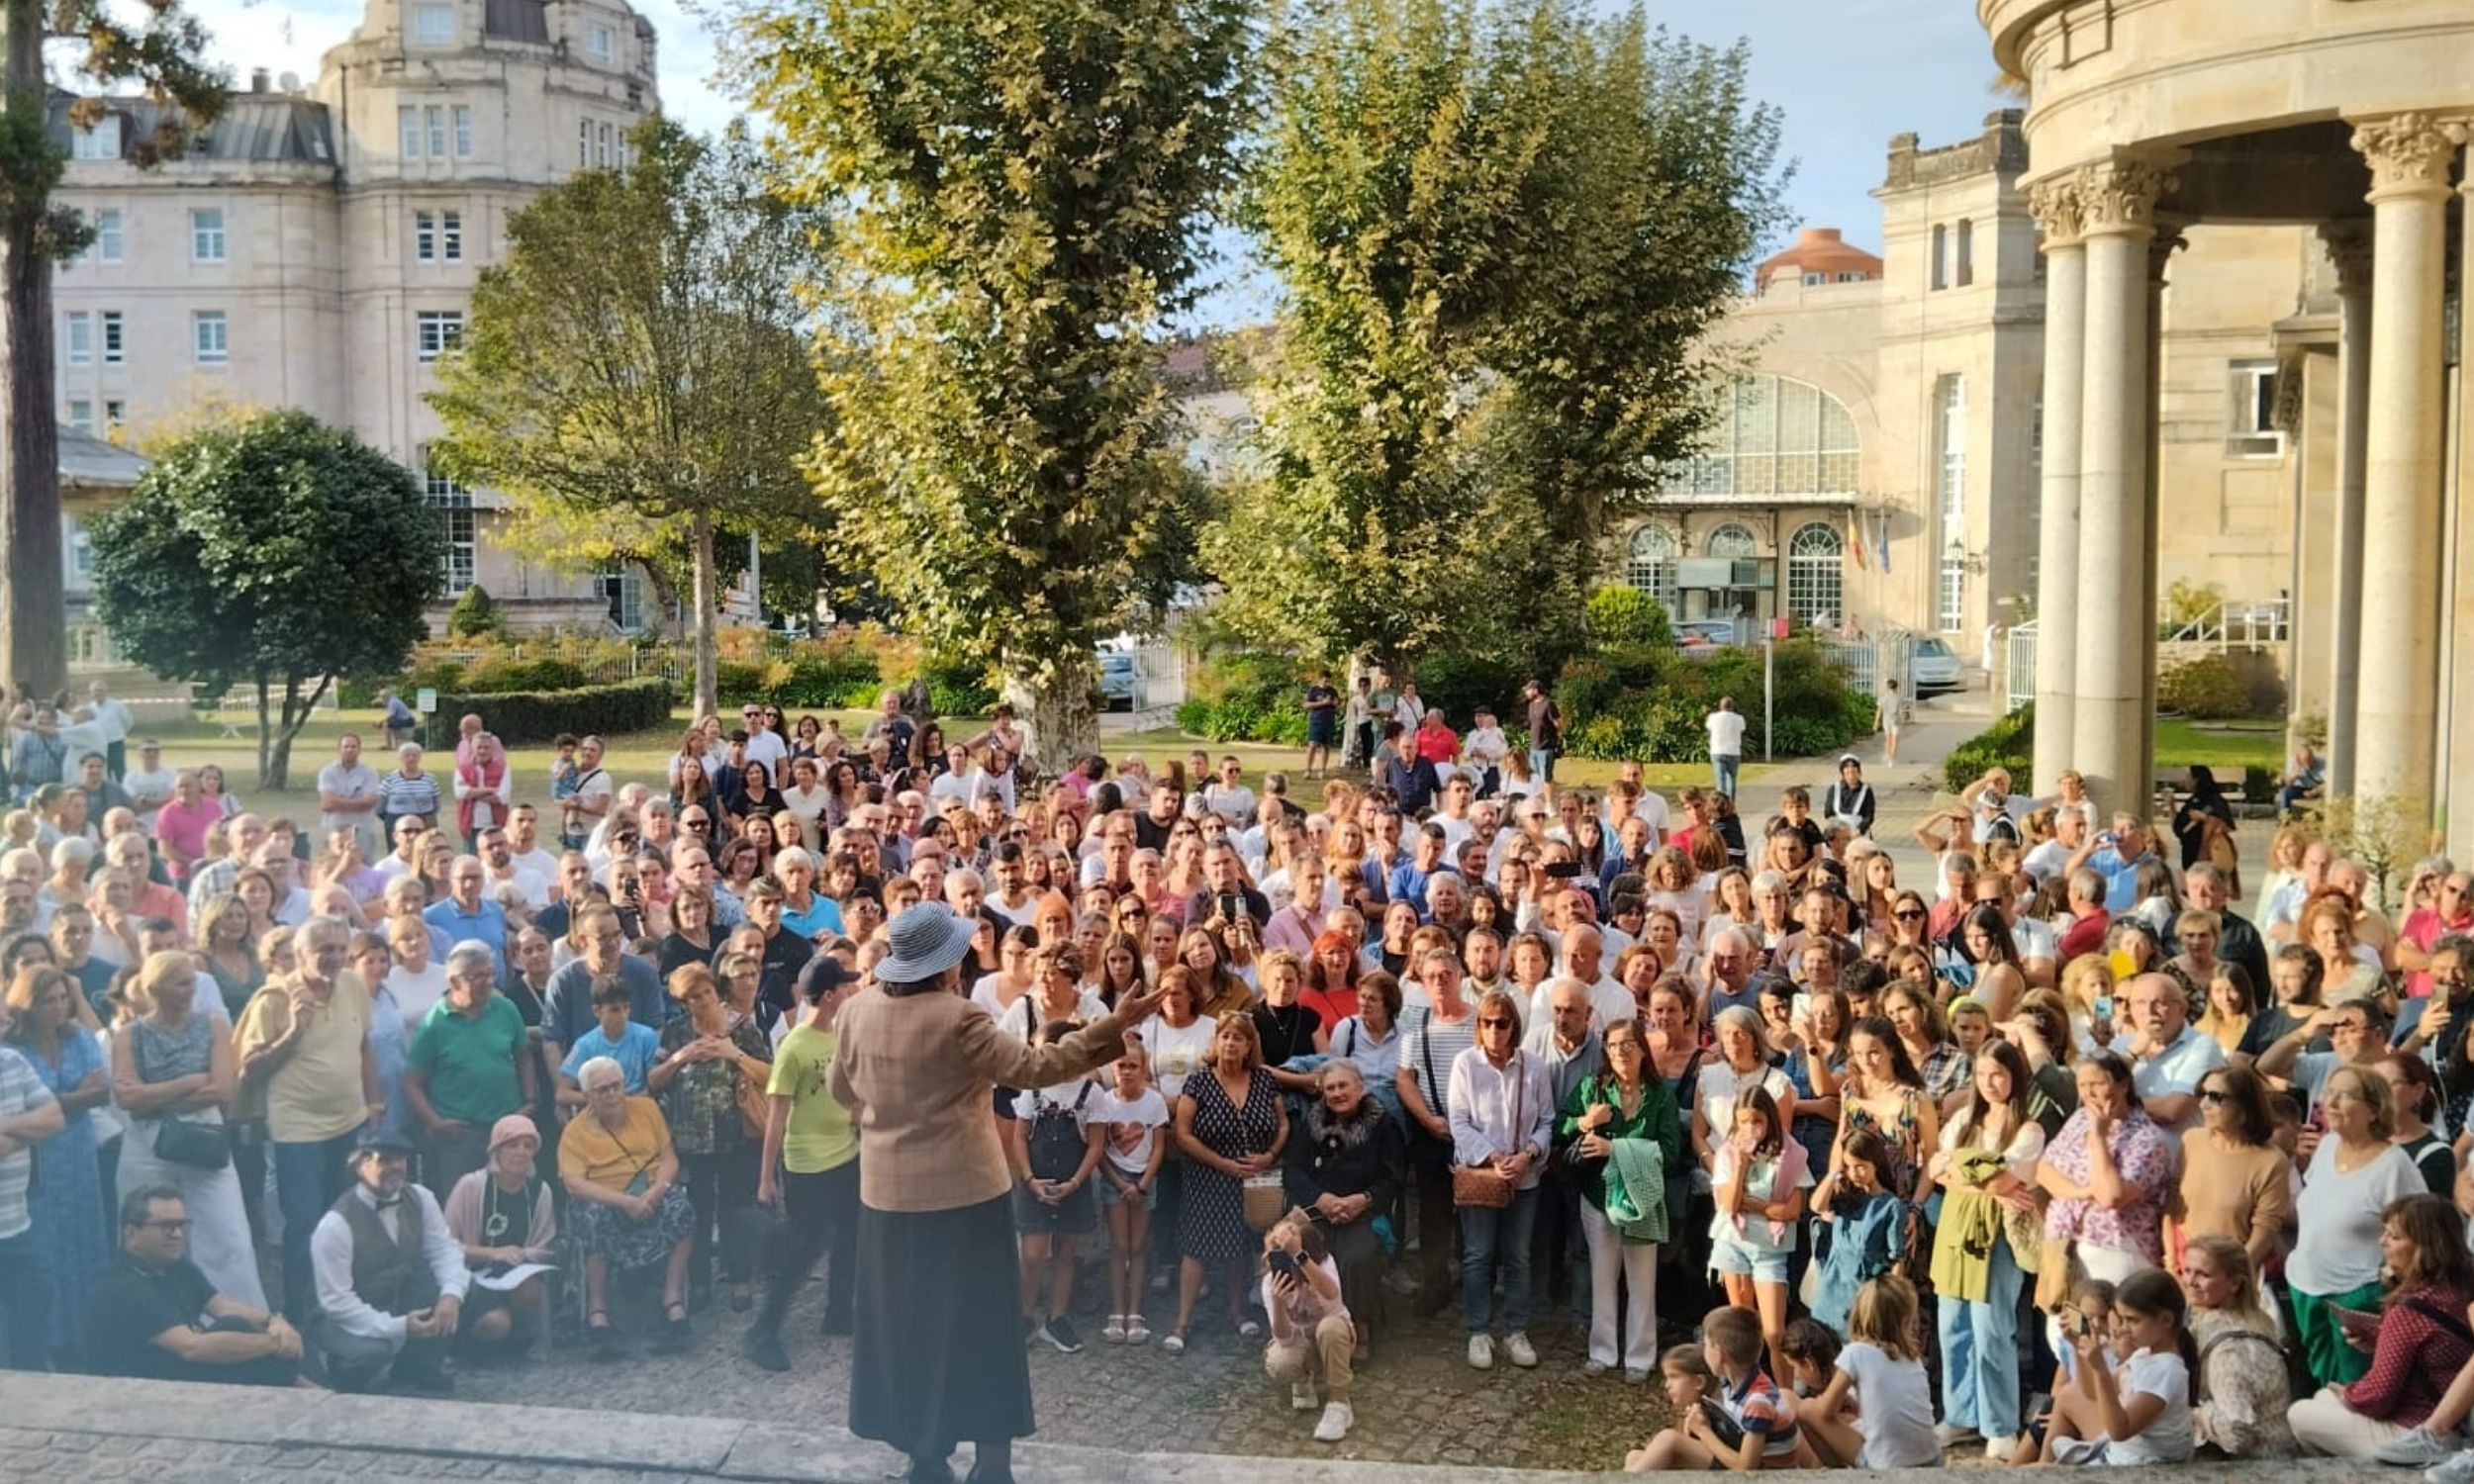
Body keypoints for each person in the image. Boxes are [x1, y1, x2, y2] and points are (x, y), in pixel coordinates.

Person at [831, 903, 1163, 1484]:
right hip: (964, 1199)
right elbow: (1037, 1067)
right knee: (982, 1328)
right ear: (949, 963)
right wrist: (1111, 1027)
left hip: (886, 1198)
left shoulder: (856, 1011)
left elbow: (841, 1091)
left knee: (909, 1328)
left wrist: (887, 1123)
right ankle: (991, 1466)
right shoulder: (960, 1019)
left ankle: (926, 1459)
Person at [230, 918, 380, 1322]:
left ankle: (341, 1307)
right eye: (323, 950)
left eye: (338, 949)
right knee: (305, 1224)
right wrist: (294, 1031)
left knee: (344, 1220)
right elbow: (247, 1069)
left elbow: (364, 1045)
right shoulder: (275, 999)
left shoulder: (352, 985)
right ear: (299, 957)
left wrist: (374, 1103)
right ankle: (299, 1313)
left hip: (349, 1123)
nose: (333, 957)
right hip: (298, 1131)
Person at [110, 951, 264, 1313]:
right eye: (180, 984)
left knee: (228, 1236)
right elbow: (127, 1098)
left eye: (191, 982)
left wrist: (155, 1096)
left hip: (203, 1141)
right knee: (143, 1231)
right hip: (146, 1147)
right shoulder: (129, 1035)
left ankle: (237, 1319)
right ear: (155, 989)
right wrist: (190, 1082)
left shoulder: (213, 1025)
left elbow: (223, 1089)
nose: (189, 991)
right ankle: (151, 1316)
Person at [2287, 1194, 2474, 1457]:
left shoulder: (2410, 1309)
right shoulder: (2460, 1288)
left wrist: (2348, 1394)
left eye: (2394, 1237)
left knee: (2300, 1413)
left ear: (2425, 1247)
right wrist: (2380, 1338)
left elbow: (2378, 1397)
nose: (2382, 1241)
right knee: (2322, 1400)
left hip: (2414, 1431)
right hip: (2459, 1424)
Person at [1927, 1040, 2044, 1460]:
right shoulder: (1964, 1117)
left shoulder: (2028, 1129)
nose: (1990, 1083)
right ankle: (1960, 1413)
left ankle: (1999, 1421)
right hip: (1957, 1224)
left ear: (2014, 1076)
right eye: (1982, 1075)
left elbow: (2003, 1180)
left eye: (1998, 1074)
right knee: (1952, 1324)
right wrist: (1972, 1172)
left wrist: (1961, 1168)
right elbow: (1935, 1167)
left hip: (1995, 1235)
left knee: (1991, 1329)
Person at [743, 957, 862, 1372]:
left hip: (846, 1151)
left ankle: (839, 1312)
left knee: (851, 1236)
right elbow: (777, 1115)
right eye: (844, 988)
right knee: (804, 1248)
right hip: (807, 1162)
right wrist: (766, 1178)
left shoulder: (841, 1036)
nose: (849, 993)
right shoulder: (794, 1045)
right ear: (829, 996)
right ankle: (763, 1329)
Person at [85, 1186, 305, 1386]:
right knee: (236, 1339)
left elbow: (222, 1305)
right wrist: (275, 1343)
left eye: (181, 1225)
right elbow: (192, 1348)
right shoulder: (123, 1287)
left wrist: (275, 1321)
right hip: (139, 1391)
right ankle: (312, 1392)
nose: (177, 1234)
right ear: (131, 1234)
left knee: (239, 1326)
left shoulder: (175, 1265)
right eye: (166, 1226)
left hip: (177, 1376)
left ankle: (311, 1391)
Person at [2287, 1065, 2423, 1387]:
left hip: (2356, 1296)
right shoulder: (2328, 1145)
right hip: (2305, 1286)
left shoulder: (2394, 1166)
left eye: (2345, 1095)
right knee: (2321, 1384)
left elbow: (2420, 1236)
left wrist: (2388, 1289)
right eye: (2329, 1092)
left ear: (2374, 1110)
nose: (2330, 1103)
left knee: (2356, 1388)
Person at [649, 962, 773, 1314]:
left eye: (706, 992)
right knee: (697, 1213)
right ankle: (700, 1280)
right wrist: (680, 1058)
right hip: (691, 1140)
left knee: (737, 1210)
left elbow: (771, 1074)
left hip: (737, 1136)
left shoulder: (741, 1027)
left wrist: (734, 1054)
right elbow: (653, 1081)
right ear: (682, 1002)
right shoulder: (675, 1032)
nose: (702, 1000)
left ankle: (739, 1278)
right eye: (692, 996)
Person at [559, 1053, 699, 1358]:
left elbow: (669, 1158)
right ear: (586, 1095)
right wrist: (625, 1202)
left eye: (616, 1085)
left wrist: (656, 1193)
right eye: (602, 1089)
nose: (611, 1094)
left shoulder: (647, 1109)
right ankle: (598, 1312)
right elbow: (575, 1184)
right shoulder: (575, 1132)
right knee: (593, 1218)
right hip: (606, 1200)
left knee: (682, 1208)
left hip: (651, 1194)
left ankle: (673, 1301)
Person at [308, 1128, 468, 1392]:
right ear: (360, 1166)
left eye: (400, 1159)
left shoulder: (421, 1197)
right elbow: (336, 1301)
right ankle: (347, 1377)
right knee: (372, 1351)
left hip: (398, 1293)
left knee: (453, 1287)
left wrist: (450, 1296)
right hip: (339, 1313)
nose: (395, 1167)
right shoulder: (335, 1226)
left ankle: (415, 1370)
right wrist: (399, 1327)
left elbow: (444, 1250)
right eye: (384, 1160)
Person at [1169, 1009, 1289, 1355]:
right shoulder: (1198, 1082)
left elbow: (1282, 1124)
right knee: (1197, 1248)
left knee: (1239, 1244)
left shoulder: (1264, 1081)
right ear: (1216, 1041)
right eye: (1226, 1036)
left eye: (1239, 1037)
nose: (1231, 1043)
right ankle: (1182, 1321)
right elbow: (1183, 1133)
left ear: (1250, 1045)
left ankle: (1238, 1312)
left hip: (1252, 1178)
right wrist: (1221, 1163)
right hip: (1208, 1175)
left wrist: (1269, 1155)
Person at [1449, 987, 1555, 1371]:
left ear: (1514, 1026)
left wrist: (1527, 1156)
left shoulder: (1534, 1067)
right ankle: (1479, 1329)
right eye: (1487, 1022)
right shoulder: (1466, 1064)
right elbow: (1458, 1120)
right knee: (1478, 1254)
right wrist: (1492, 1157)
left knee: (1518, 1255)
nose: (1494, 1030)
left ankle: (1515, 1328)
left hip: (1523, 1178)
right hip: (1481, 1175)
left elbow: (1547, 1120)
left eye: (1502, 1023)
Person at [7, 964, 107, 1364]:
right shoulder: (15, 1052)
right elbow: (46, 1108)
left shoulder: (78, 1036)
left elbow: (101, 1090)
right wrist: (69, 1099)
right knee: (43, 1248)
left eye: (64, 998)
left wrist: (55, 1102)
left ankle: (84, 1334)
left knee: (82, 1240)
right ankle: (43, 1339)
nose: (58, 1007)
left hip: (79, 1154)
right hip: (37, 1158)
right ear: (28, 1005)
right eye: (48, 1000)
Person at [1281, 1057, 1403, 1361]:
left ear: (1359, 1089)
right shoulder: (1312, 1122)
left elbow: (1395, 1177)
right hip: (1318, 1210)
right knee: (1298, 1250)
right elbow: (1292, 1171)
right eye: (1330, 1087)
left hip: (1363, 1211)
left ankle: (1360, 1327)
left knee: (1357, 1255)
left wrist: (1363, 1199)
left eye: (1343, 1086)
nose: (1337, 1093)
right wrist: (1319, 1197)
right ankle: (1306, 1328)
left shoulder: (1384, 1124)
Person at [2035, 1265, 2197, 1465]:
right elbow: (2092, 1393)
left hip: (2137, 1465)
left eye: (2132, 1320)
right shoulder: (2144, 1355)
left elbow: (2120, 1430)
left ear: (2166, 1319)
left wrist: (2101, 1369)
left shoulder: (2166, 1370)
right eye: (2122, 1320)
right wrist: (2078, 1348)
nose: (2123, 1329)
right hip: (2122, 1456)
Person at [440, 1113, 557, 1362]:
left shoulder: (540, 1191)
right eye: (512, 1145)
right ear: (496, 1150)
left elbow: (544, 1245)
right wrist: (493, 1253)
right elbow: (444, 1245)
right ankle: (464, 1339)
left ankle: (518, 1337)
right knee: (496, 1324)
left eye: (528, 1146)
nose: (521, 1152)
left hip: (514, 1274)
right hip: (472, 1275)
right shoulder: (470, 1186)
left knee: (532, 1290)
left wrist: (521, 1255)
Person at [1627, 1305, 1802, 1470]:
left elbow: (1747, 1468)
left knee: (1669, 1440)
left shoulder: (1757, 1402)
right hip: (1741, 1463)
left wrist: (1704, 1432)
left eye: (1706, 1345)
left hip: (1768, 1476)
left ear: (1719, 1354)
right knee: (1634, 1457)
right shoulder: (1734, 1383)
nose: (1703, 1351)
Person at [1792, 1274, 1941, 1468]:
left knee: (1806, 1410)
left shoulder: (1856, 1353)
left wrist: (1826, 1401)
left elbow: (1824, 1411)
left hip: (1886, 1464)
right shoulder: (1913, 1358)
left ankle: (1837, 1470)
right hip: (1931, 1458)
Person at [2177, 1234, 2297, 1458]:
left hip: (2262, 1467)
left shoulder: (2232, 1349)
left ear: (2234, 1283)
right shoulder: (2209, 1323)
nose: (2190, 1282)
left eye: (2203, 1274)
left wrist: (2194, 1415)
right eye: (2186, 1271)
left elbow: (2236, 1433)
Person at [1094, 1043, 1171, 1348]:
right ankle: (1117, 1309)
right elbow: (1099, 1149)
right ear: (1112, 1069)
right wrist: (1121, 1183)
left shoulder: (1154, 1103)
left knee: (1138, 1247)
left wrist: (1142, 1184)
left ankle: (1136, 1310)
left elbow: (1159, 1147)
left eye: (1132, 1066)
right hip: (1115, 1178)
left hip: (1144, 1178)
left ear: (1143, 1069)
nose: (1126, 1071)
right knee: (1119, 1247)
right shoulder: (1104, 1102)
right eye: (1121, 1065)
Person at [1261, 1209, 1356, 1443]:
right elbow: (1283, 1339)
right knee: (1279, 1362)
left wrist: (1300, 1258)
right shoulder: (1270, 1281)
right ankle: (1302, 1380)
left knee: (1330, 1328)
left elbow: (1333, 1297)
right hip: (1299, 1341)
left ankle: (1339, 1402)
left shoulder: (1324, 1264)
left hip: (1332, 1334)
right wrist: (1278, 1302)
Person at [1705, 697, 1747, 798]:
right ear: (1732, 706)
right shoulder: (1739, 718)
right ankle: (1730, 803)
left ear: (1720, 706)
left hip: (1718, 750)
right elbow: (1743, 729)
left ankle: (1720, 802)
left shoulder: (1713, 717)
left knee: (1720, 779)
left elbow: (1708, 727)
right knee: (1731, 779)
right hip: (1733, 751)